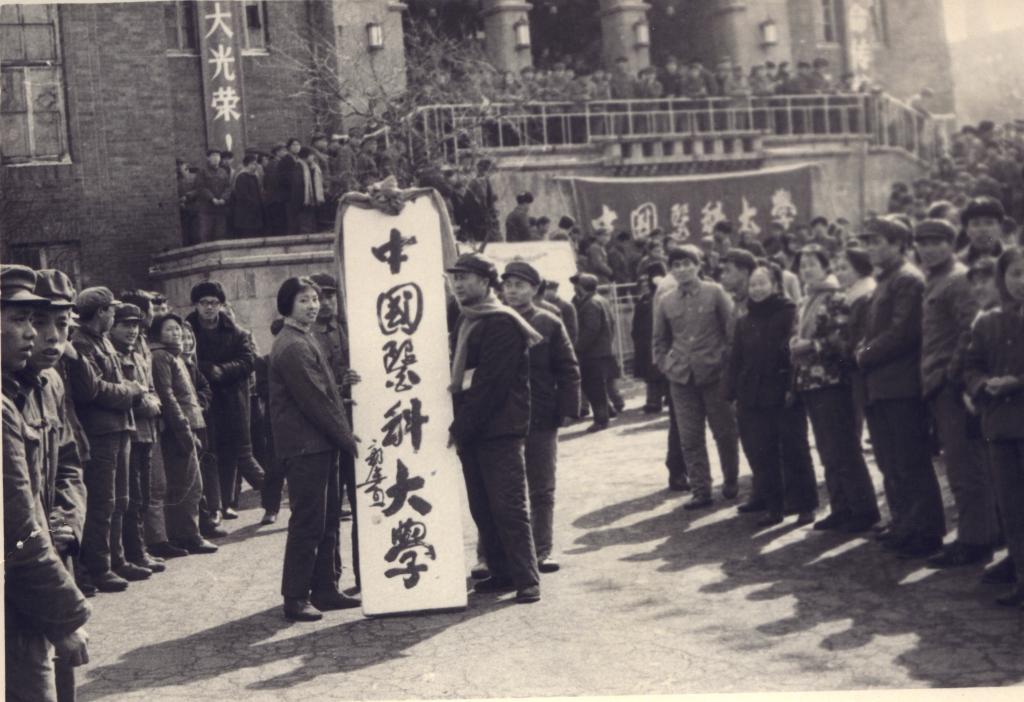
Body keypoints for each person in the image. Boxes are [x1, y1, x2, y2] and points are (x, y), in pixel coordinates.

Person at [3, 265, 92, 702]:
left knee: (61, 681)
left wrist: (67, 523)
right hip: (24, 572)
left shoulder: (50, 383)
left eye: (62, 324)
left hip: (49, 556)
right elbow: (17, 523)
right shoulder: (7, 400)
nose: (49, 338)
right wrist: (65, 616)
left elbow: (69, 463)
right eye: (32, 321)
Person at [447, 253, 543, 604]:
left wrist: (460, 426)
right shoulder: (467, 318)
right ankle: (501, 573)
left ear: (486, 282)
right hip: (475, 427)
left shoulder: (502, 321)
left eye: (465, 277)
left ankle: (527, 578)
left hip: (500, 428)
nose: (458, 284)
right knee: (482, 506)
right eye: (455, 277)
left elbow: (490, 384)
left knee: (508, 506)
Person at [269, 277, 361, 621]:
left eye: (314, 299)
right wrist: (346, 437)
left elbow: (323, 389)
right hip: (305, 446)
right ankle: (295, 597)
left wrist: (342, 387)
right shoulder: (292, 345)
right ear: (288, 305)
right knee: (308, 522)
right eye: (304, 300)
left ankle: (325, 588)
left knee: (328, 518)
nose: (312, 306)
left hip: (319, 444)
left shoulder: (304, 337)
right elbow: (315, 400)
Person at [856, 217, 946, 557]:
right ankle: (905, 524)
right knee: (891, 460)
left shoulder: (907, 279)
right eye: (868, 242)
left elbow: (903, 333)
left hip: (901, 385)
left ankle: (925, 532)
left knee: (910, 461)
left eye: (877, 241)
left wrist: (863, 354)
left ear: (898, 244)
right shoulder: (887, 279)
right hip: (882, 384)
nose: (870, 248)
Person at [914, 218, 1000, 568]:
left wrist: (950, 376)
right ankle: (976, 534)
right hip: (937, 384)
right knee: (958, 466)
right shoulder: (934, 279)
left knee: (966, 468)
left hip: (952, 387)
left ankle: (975, 540)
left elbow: (969, 332)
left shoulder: (958, 279)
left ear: (951, 244)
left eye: (937, 242)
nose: (929, 249)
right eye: (923, 243)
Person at [790, 245, 880, 532]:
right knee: (827, 449)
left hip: (832, 381)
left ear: (825, 267)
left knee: (843, 447)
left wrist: (810, 346)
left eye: (812, 264)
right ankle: (841, 507)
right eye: (803, 265)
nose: (807, 270)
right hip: (810, 381)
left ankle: (863, 510)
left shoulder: (835, 297)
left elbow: (842, 340)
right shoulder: (806, 299)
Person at [501, 262, 581, 573]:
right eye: (508, 285)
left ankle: (542, 551)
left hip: (541, 416)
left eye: (520, 285)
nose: (512, 291)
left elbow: (568, 368)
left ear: (535, 289)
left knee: (542, 488)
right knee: (501, 489)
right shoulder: (494, 320)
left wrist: (568, 409)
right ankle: (491, 556)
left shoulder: (549, 322)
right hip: (502, 417)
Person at [70, 287, 148, 591]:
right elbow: (92, 389)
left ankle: (117, 560)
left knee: (120, 500)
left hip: (118, 428)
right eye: (112, 310)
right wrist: (130, 391)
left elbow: (107, 383)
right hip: (101, 433)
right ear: (101, 312)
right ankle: (99, 568)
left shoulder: (100, 341)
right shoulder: (81, 343)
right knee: (103, 502)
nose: (115, 315)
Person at [728, 262, 817, 527]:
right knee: (761, 452)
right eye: (753, 284)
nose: (757, 289)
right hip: (752, 395)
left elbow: (794, 354)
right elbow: (736, 359)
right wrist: (731, 393)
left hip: (783, 392)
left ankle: (805, 505)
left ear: (776, 285)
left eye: (762, 283)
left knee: (794, 449)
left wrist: (792, 388)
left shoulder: (789, 313)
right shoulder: (744, 320)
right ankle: (774, 507)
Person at [652, 244, 740, 509]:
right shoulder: (666, 300)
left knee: (724, 433)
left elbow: (732, 332)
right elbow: (659, 340)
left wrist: (726, 364)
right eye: (676, 265)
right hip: (681, 379)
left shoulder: (715, 292)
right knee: (690, 438)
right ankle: (701, 490)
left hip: (715, 376)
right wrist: (666, 365)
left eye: (687, 264)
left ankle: (731, 480)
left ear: (698, 265)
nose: (682, 269)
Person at [962, 246, 1024, 606]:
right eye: (1015, 274)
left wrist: (1016, 383)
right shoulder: (989, 322)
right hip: (1000, 428)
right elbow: (971, 365)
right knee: (1012, 507)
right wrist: (982, 384)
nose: (1021, 282)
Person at [185, 281, 264, 522]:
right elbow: (182, 358)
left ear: (221, 305)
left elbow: (248, 361)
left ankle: (229, 502)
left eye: (214, 303)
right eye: (204, 303)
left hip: (232, 400)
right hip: (202, 399)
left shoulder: (237, 332)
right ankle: (214, 507)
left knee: (232, 452)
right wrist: (207, 369)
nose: (209, 308)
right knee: (209, 452)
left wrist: (223, 370)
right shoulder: (187, 331)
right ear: (196, 305)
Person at [308, 272, 361, 589]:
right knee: (329, 511)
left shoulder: (350, 329)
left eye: (329, 296)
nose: (325, 303)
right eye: (318, 297)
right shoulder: (307, 337)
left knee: (363, 501)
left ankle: (367, 575)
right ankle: (330, 580)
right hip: (327, 429)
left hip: (359, 425)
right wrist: (342, 386)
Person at [149, 314, 218, 556]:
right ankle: (189, 536)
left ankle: (186, 534)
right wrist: (183, 429)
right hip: (179, 429)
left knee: (190, 484)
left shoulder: (174, 356)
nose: (176, 333)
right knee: (188, 485)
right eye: (169, 329)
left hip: (190, 424)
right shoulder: (161, 356)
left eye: (177, 329)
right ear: (158, 333)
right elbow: (167, 396)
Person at [107, 302, 166, 576]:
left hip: (147, 433)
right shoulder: (115, 358)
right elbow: (127, 395)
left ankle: (140, 549)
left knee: (143, 496)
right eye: (125, 325)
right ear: (113, 326)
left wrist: (151, 401)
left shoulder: (139, 356)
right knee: (131, 496)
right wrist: (148, 404)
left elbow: (150, 389)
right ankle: (134, 552)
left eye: (135, 325)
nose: (132, 330)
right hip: (131, 432)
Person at [571, 273, 616, 432]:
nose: (574, 288)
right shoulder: (601, 300)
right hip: (602, 351)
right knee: (598, 386)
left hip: (592, 353)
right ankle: (608, 411)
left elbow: (591, 330)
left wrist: (577, 347)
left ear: (581, 287)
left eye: (576, 285)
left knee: (594, 387)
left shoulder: (590, 304)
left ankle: (601, 420)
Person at [195, 149, 231, 243]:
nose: (216, 158)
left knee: (221, 234)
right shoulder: (202, 172)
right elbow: (201, 187)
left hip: (221, 209)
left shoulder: (223, 172)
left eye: (218, 156)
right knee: (206, 234)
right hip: (207, 210)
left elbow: (228, 187)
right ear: (208, 158)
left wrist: (224, 198)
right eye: (213, 156)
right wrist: (212, 198)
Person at [958, 196, 1006, 265]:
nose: (983, 229)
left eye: (989, 223)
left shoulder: (1015, 259)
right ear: (966, 230)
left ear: (1000, 227)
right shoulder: (958, 263)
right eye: (976, 224)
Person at [232, 154, 265, 238]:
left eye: (256, 164)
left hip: (255, 211)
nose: (255, 166)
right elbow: (242, 195)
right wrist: (254, 203)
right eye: (253, 164)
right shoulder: (241, 177)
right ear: (247, 165)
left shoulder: (254, 177)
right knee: (247, 233)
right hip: (245, 212)